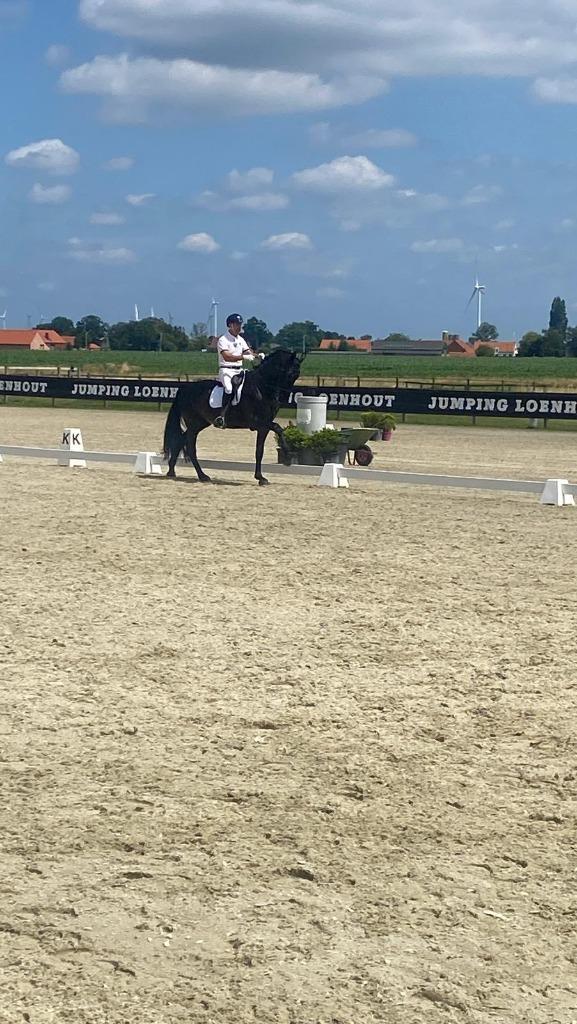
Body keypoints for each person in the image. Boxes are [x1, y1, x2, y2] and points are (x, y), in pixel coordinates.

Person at [214, 313, 256, 428]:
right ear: (230, 325)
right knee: (228, 388)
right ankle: (222, 416)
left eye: (240, 324)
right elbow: (227, 357)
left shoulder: (241, 339)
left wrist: (257, 356)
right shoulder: (223, 340)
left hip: (239, 370)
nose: (239, 327)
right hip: (226, 370)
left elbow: (248, 352)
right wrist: (243, 357)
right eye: (236, 324)